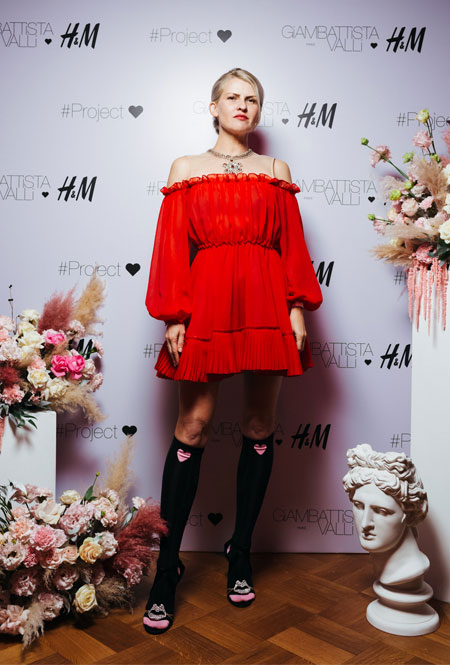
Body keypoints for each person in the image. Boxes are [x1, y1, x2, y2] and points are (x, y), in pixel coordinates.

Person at [143, 67, 323, 634]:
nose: (243, 106)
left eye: (252, 99)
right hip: (206, 304)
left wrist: (297, 308)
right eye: (233, 97)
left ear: (258, 112)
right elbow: (171, 245)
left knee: (259, 424)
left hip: (267, 303)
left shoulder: (276, 171)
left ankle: (239, 550)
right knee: (193, 425)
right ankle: (167, 569)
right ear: (214, 107)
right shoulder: (185, 168)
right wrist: (175, 314)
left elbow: (291, 244)